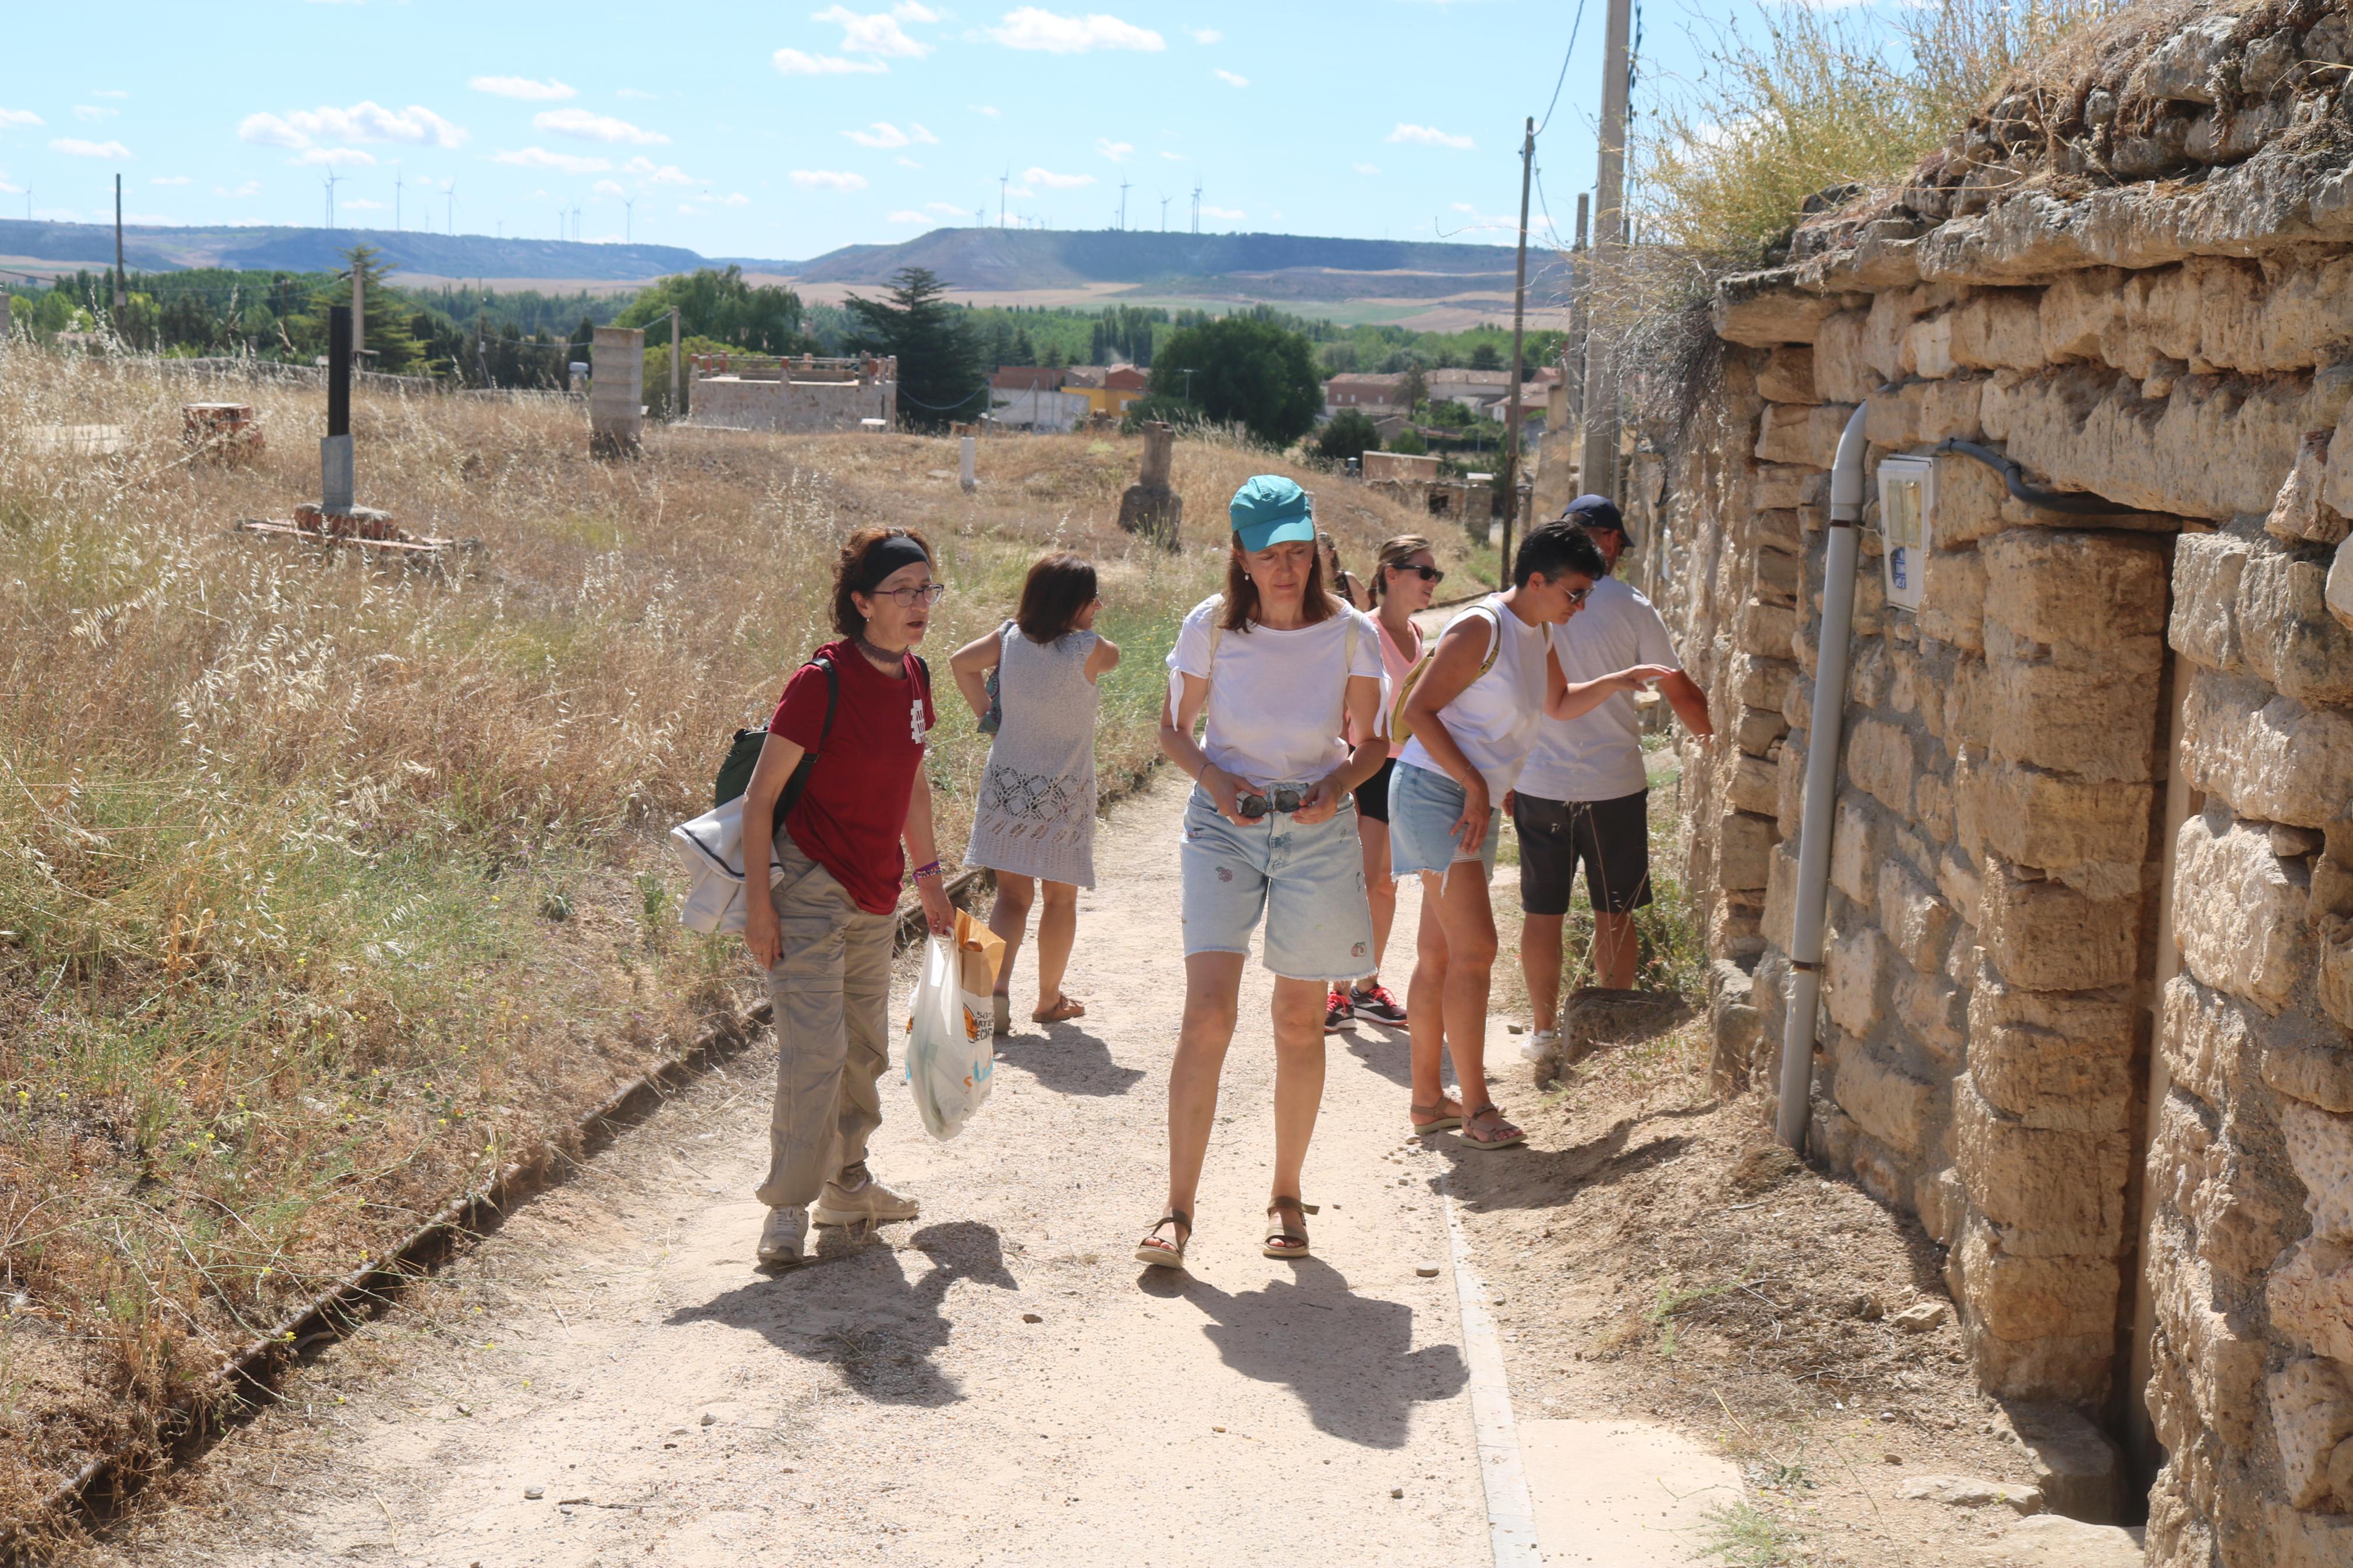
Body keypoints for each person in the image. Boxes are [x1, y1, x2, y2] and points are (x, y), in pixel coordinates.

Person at [1136, 475, 1386, 1268]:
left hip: (1315, 829)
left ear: (1313, 549)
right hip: (1224, 825)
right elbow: (1173, 731)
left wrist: (1335, 786)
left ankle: (1285, 1193)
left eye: (1297, 550)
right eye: (1267, 553)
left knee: (1297, 1020)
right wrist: (1218, 782)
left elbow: (1373, 742)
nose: (1285, 567)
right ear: (1238, 556)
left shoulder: (1350, 632)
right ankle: (1176, 1209)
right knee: (1207, 1014)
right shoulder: (1209, 627)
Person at [1390, 522, 1676, 1149]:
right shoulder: (1480, 627)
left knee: (1440, 955)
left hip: (1470, 799)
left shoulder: (1538, 630)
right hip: (1439, 794)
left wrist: (1615, 680)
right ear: (1537, 580)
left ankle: (1426, 1102)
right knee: (1475, 952)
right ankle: (1477, 1110)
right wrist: (1471, 784)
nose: (1580, 606)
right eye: (1573, 593)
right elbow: (1417, 713)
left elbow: (1559, 701)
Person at [739, 526, 957, 1267]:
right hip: (805, 885)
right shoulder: (820, 682)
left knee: (863, 1049)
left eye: (928, 587)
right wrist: (759, 907)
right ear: (863, 603)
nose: (920, 602)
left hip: (876, 891)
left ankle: (847, 1183)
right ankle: (787, 1210)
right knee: (815, 1051)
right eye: (903, 590)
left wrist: (930, 884)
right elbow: (760, 799)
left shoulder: (917, 677)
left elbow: (913, 787)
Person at [1514, 495, 1714, 1061]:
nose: (1616, 555)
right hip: (1612, 782)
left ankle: (1544, 1032)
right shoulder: (1631, 606)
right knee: (1614, 910)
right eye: (1618, 543)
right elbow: (1676, 688)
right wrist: (1713, 738)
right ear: (1604, 539)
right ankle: (1608, 1033)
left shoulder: (1529, 604)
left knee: (1541, 911)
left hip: (1539, 779)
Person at [949, 552, 1122, 1032]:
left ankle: (997, 991)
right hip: (1064, 793)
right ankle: (1048, 1000)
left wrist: (990, 715)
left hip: (1008, 786)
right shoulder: (1092, 650)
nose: (1098, 607)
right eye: (1092, 600)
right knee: (1060, 899)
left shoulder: (1007, 639)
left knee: (1011, 896)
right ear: (1073, 605)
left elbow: (960, 663)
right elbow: (1112, 653)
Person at [1325, 534, 1441, 1034]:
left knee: (1385, 887)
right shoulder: (1361, 632)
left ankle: (1367, 986)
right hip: (1363, 765)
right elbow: (1337, 708)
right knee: (1355, 882)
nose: (1433, 583)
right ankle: (1336, 991)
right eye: (1424, 572)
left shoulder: (1418, 636)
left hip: (1404, 768)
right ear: (1390, 575)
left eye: (1435, 575)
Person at [1318, 530, 1371, 611]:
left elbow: (1369, 609)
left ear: (1332, 553)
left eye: (1320, 551)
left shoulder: (1348, 580)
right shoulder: (1309, 582)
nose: (1317, 556)